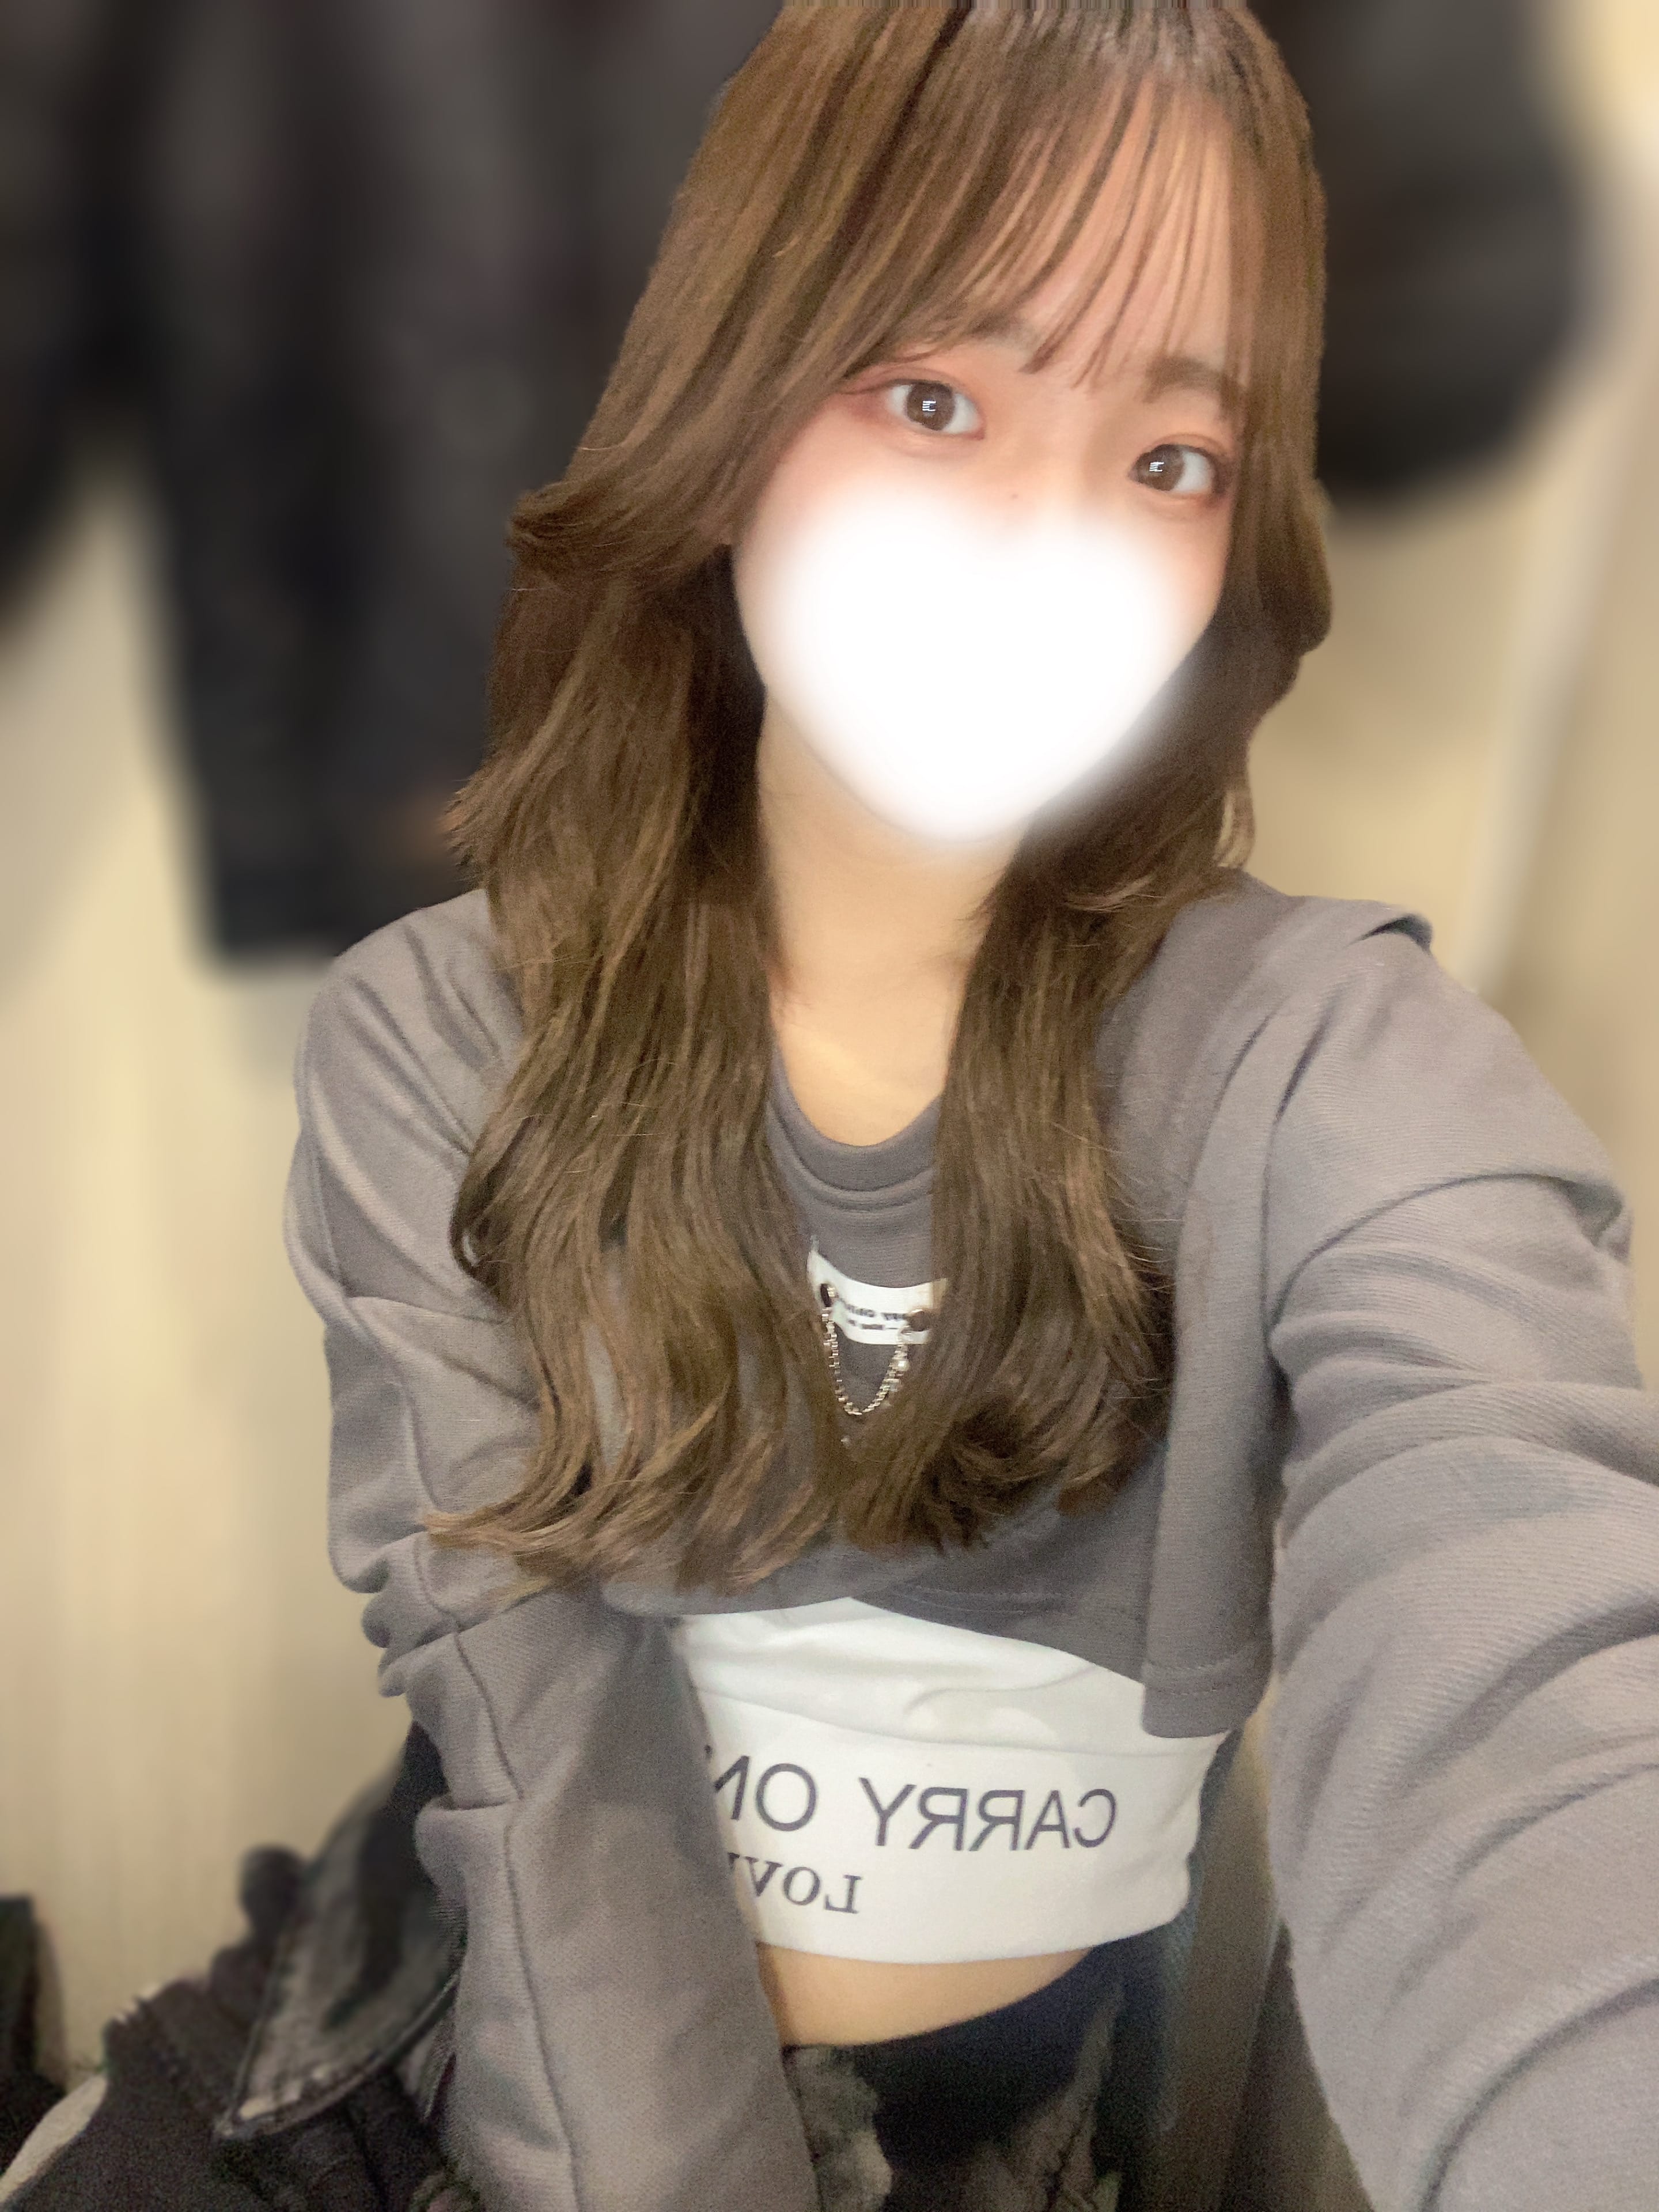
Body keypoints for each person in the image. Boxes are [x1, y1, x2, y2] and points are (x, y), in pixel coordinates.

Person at [7, 5, 1655, 2210]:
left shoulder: (1328, 1063)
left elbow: (1532, 1686)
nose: (1044, 546)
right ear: (734, 405)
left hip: (978, 2133)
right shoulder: (442, 1033)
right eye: (936, 398)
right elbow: (545, 1774)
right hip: (419, 2038)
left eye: (1171, 458)